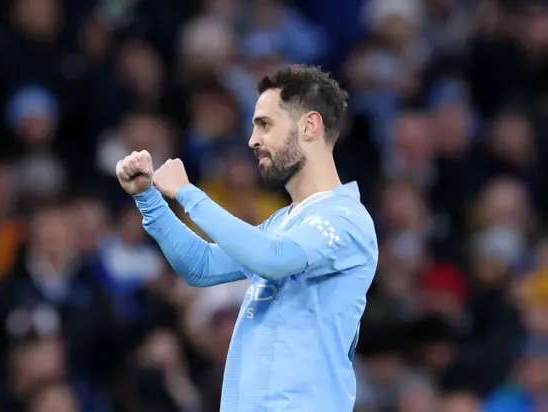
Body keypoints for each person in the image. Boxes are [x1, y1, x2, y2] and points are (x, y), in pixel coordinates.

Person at [116, 64, 378, 412]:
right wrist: (149, 199)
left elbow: (272, 260)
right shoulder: (282, 224)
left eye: (265, 124)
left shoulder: (345, 219)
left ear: (310, 126)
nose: (253, 139)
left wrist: (189, 194)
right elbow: (202, 266)